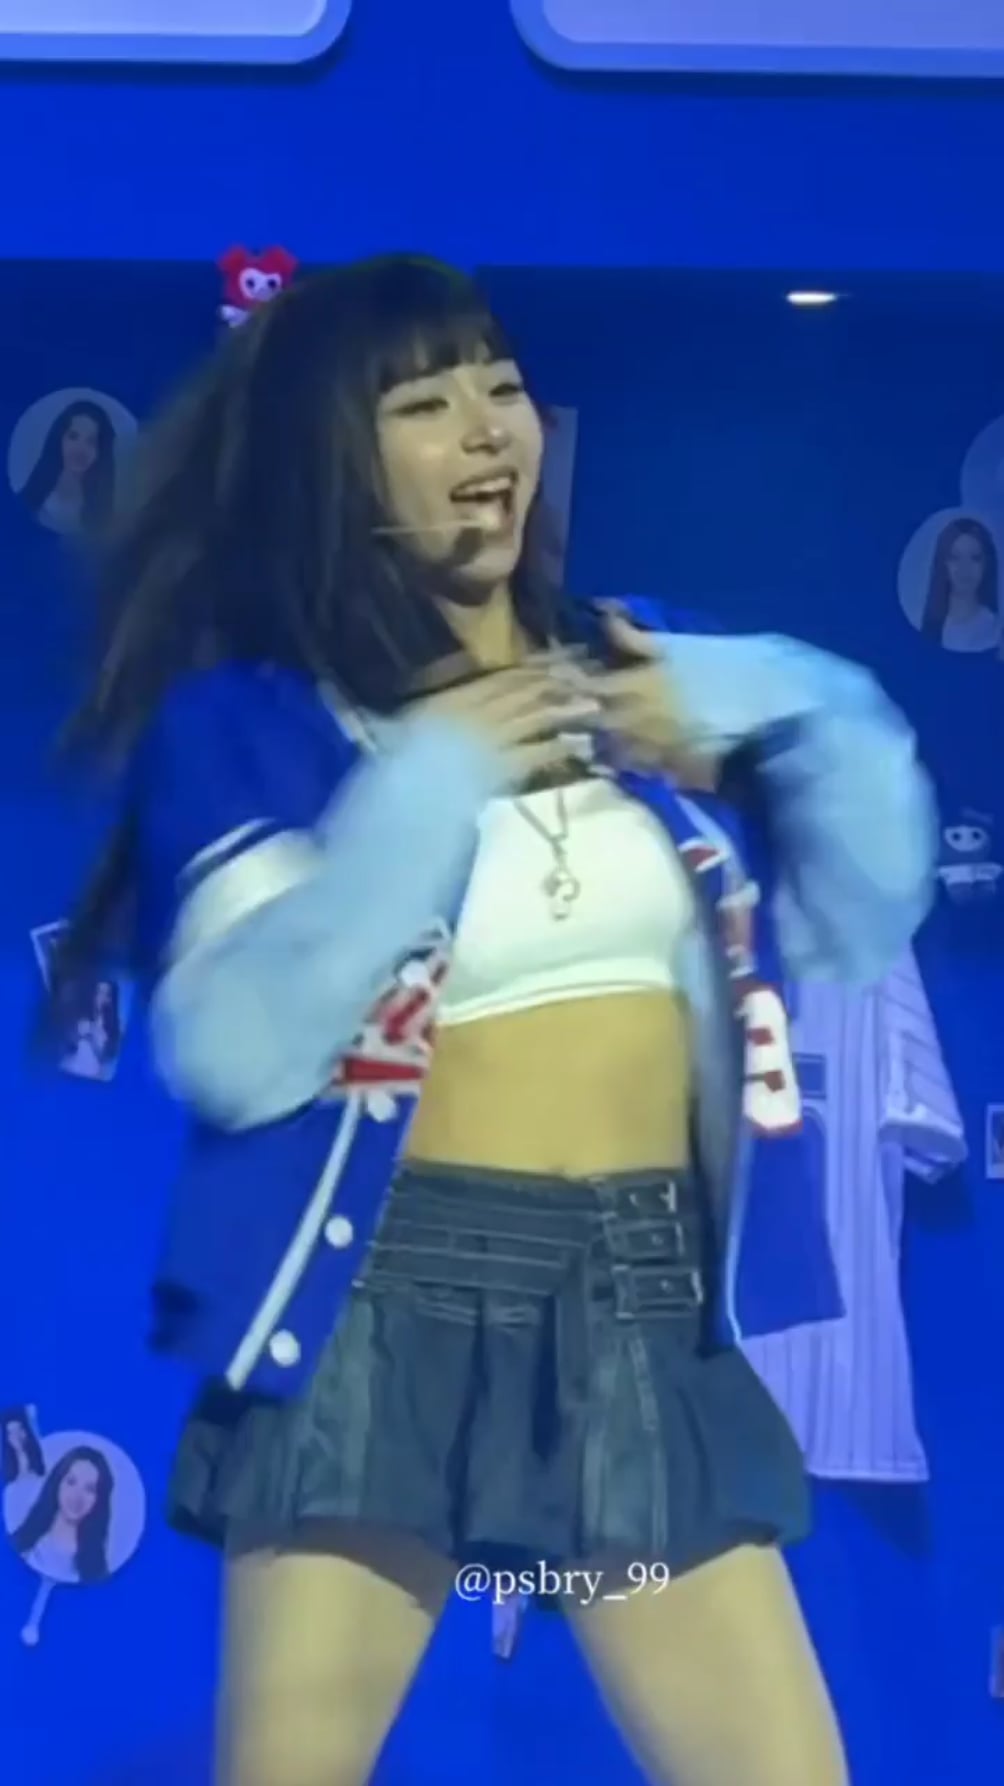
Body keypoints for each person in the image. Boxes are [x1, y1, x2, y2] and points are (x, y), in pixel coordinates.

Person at [54, 255, 935, 1786]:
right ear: (339, 457)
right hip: (385, 1314)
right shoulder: (262, 721)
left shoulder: (644, 672)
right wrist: (431, 784)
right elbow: (239, 1047)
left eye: (502, 386)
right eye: (424, 401)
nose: (485, 429)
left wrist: (770, 705)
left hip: (640, 1312)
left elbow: (872, 899)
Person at [11, 1445, 113, 1585]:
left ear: (99, 1499)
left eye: (89, 1489)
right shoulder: (21, 1544)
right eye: (71, 1482)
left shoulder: (96, 1571)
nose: (77, 1496)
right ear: (57, 1483)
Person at [19, 398, 116, 536]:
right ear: (59, 439)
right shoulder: (31, 499)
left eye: (91, 441)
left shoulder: (105, 513)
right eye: (73, 436)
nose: (80, 449)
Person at [920, 516, 1001, 652]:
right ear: (943, 564)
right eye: (954, 557)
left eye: (975, 558)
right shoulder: (930, 630)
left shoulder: (995, 630)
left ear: (987, 565)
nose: (964, 568)